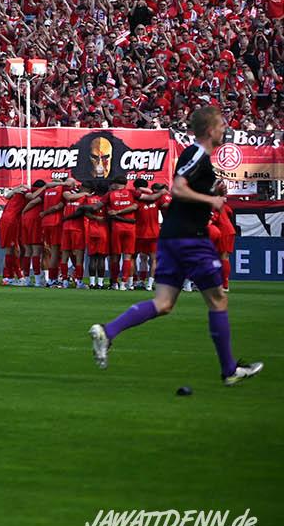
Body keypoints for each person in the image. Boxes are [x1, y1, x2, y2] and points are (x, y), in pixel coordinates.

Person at [89, 106, 262, 386]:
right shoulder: (196, 153)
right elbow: (178, 188)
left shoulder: (199, 158)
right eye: (221, 125)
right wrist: (212, 201)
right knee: (218, 299)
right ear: (209, 130)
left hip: (172, 236)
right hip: (190, 238)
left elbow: (186, 191)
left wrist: (210, 191)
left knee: (164, 303)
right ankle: (229, 370)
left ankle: (107, 332)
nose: (224, 130)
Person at [105, 177, 138, 291]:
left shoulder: (110, 195)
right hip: (130, 229)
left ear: (115, 184)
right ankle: (124, 283)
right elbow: (136, 205)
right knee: (128, 257)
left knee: (115, 257)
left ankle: (115, 283)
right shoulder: (132, 193)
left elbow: (98, 206)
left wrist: (116, 212)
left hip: (117, 228)